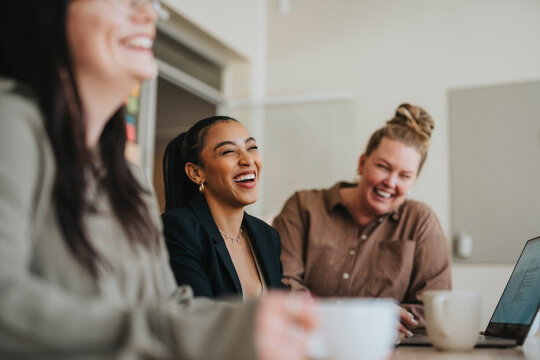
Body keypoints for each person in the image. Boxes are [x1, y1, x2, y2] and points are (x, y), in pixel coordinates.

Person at [0, 1, 316, 359]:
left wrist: (271, 326)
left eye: (149, 3)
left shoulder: (127, 177)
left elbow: (169, 305)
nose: (148, 14)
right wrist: (212, 331)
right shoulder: (11, 123)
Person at [273, 103, 452, 336]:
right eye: (383, 167)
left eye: (404, 176)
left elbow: (435, 307)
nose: (391, 182)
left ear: (413, 182)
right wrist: (361, 320)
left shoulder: (421, 221)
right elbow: (282, 285)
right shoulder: (302, 206)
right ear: (362, 163)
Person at [161, 116, 285, 300]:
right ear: (195, 173)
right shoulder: (177, 229)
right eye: (228, 151)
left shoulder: (267, 236)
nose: (247, 160)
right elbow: (198, 316)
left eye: (251, 148)